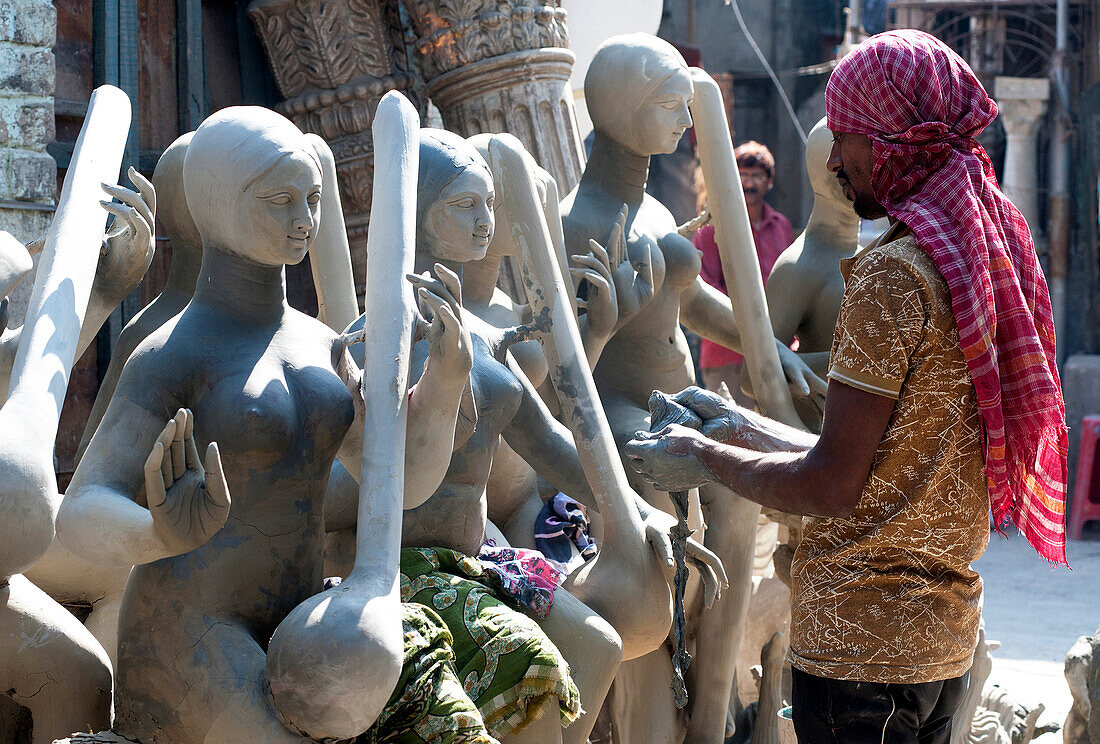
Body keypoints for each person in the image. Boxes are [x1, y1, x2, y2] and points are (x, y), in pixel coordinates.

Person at [625, 29, 1068, 744]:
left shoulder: (892, 276)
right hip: (941, 642)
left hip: (863, 653)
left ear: (899, 139)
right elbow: (876, 455)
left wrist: (705, 459)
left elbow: (832, 482)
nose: (835, 161)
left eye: (850, 139)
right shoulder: (984, 254)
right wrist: (733, 425)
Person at [694, 141, 794, 401]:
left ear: (769, 181)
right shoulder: (712, 228)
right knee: (729, 433)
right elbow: (705, 290)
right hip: (726, 351)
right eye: (743, 176)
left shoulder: (781, 225)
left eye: (757, 176)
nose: (749, 184)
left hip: (778, 348)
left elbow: (789, 286)